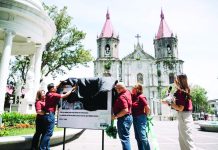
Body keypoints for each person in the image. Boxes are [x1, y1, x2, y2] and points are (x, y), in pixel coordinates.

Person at [162, 74, 196, 150]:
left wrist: (169, 103)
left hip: (184, 116)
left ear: (179, 81)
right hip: (183, 116)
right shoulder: (180, 91)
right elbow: (176, 104)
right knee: (182, 140)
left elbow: (180, 108)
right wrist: (169, 101)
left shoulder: (181, 92)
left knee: (187, 141)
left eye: (176, 80)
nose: (174, 81)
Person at [39, 82, 76, 150]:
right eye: (55, 88)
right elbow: (64, 96)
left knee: (45, 133)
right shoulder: (54, 94)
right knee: (49, 134)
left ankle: (46, 148)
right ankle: (42, 148)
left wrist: (60, 82)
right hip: (50, 115)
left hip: (46, 115)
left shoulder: (48, 93)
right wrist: (72, 89)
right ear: (52, 89)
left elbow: (55, 86)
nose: (56, 88)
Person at [112, 82, 133, 150]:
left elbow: (125, 110)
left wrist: (115, 116)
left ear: (121, 89)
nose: (116, 90)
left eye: (117, 89)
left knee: (124, 139)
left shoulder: (122, 97)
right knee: (126, 138)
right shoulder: (128, 92)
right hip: (128, 118)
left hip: (123, 119)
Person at [131, 83, 151, 150]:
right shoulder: (134, 96)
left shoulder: (141, 97)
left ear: (137, 89)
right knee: (137, 137)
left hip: (140, 118)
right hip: (135, 118)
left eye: (133, 88)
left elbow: (148, 108)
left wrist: (145, 116)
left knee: (143, 137)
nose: (132, 89)